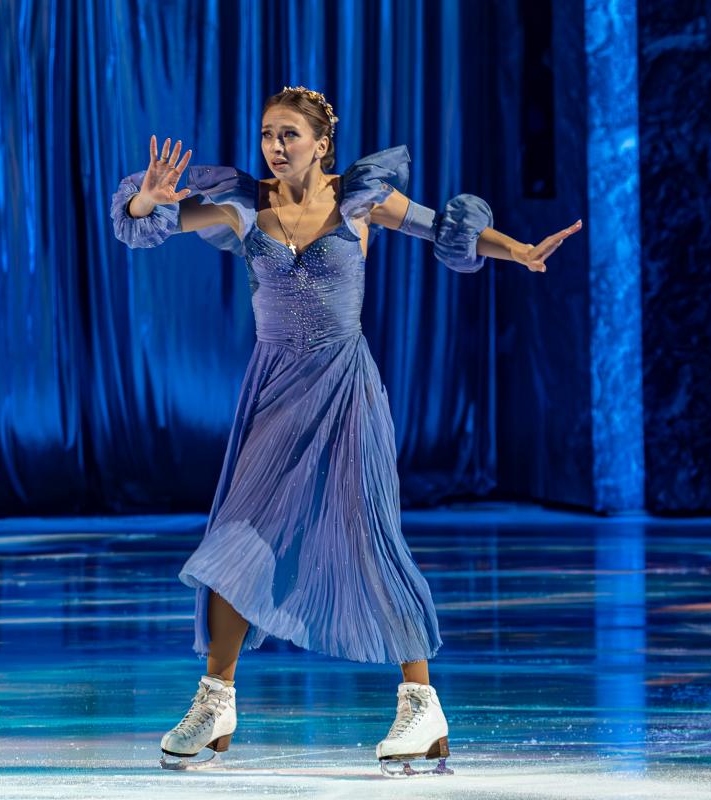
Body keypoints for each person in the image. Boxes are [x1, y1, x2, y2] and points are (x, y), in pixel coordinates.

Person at [110, 85, 581, 776]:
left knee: (370, 538)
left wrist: (519, 249)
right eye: (267, 133)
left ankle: (421, 704)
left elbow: (443, 230)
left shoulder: (360, 201)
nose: (275, 146)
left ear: (322, 144)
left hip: (344, 390)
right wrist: (146, 200)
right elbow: (145, 223)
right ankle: (216, 701)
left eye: (289, 134)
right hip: (275, 393)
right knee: (234, 539)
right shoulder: (244, 205)